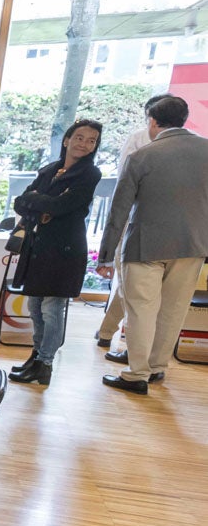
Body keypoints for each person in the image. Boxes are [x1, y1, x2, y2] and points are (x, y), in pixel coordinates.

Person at [97, 96, 208, 394]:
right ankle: (158, 367)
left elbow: (119, 210)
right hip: (193, 245)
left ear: (153, 121)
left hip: (146, 245)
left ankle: (136, 374)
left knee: (141, 309)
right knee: (173, 309)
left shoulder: (143, 155)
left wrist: (105, 255)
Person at [7, 119, 103, 386]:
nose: (84, 144)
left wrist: (40, 202)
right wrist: (43, 206)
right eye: (80, 137)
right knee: (35, 307)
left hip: (66, 249)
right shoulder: (50, 169)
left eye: (91, 140)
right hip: (40, 246)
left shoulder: (89, 174)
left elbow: (63, 206)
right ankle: (36, 355)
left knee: (52, 308)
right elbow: (20, 202)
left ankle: (45, 363)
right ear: (67, 140)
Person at [96, 94, 172, 349]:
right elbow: (124, 185)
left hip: (160, 226)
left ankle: (111, 334)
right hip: (134, 221)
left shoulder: (183, 144)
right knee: (130, 285)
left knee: (139, 288)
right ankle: (113, 334)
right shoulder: (140, 139)